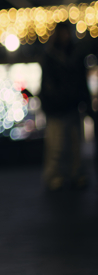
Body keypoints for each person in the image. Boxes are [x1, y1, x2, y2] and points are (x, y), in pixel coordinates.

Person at [39, 22, 90, 190]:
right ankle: (57, 176)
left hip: (68, 105)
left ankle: (71, 175)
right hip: (59, 107)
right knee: (58, 146)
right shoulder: (56, 57)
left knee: (73, 146)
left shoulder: (65, 55)